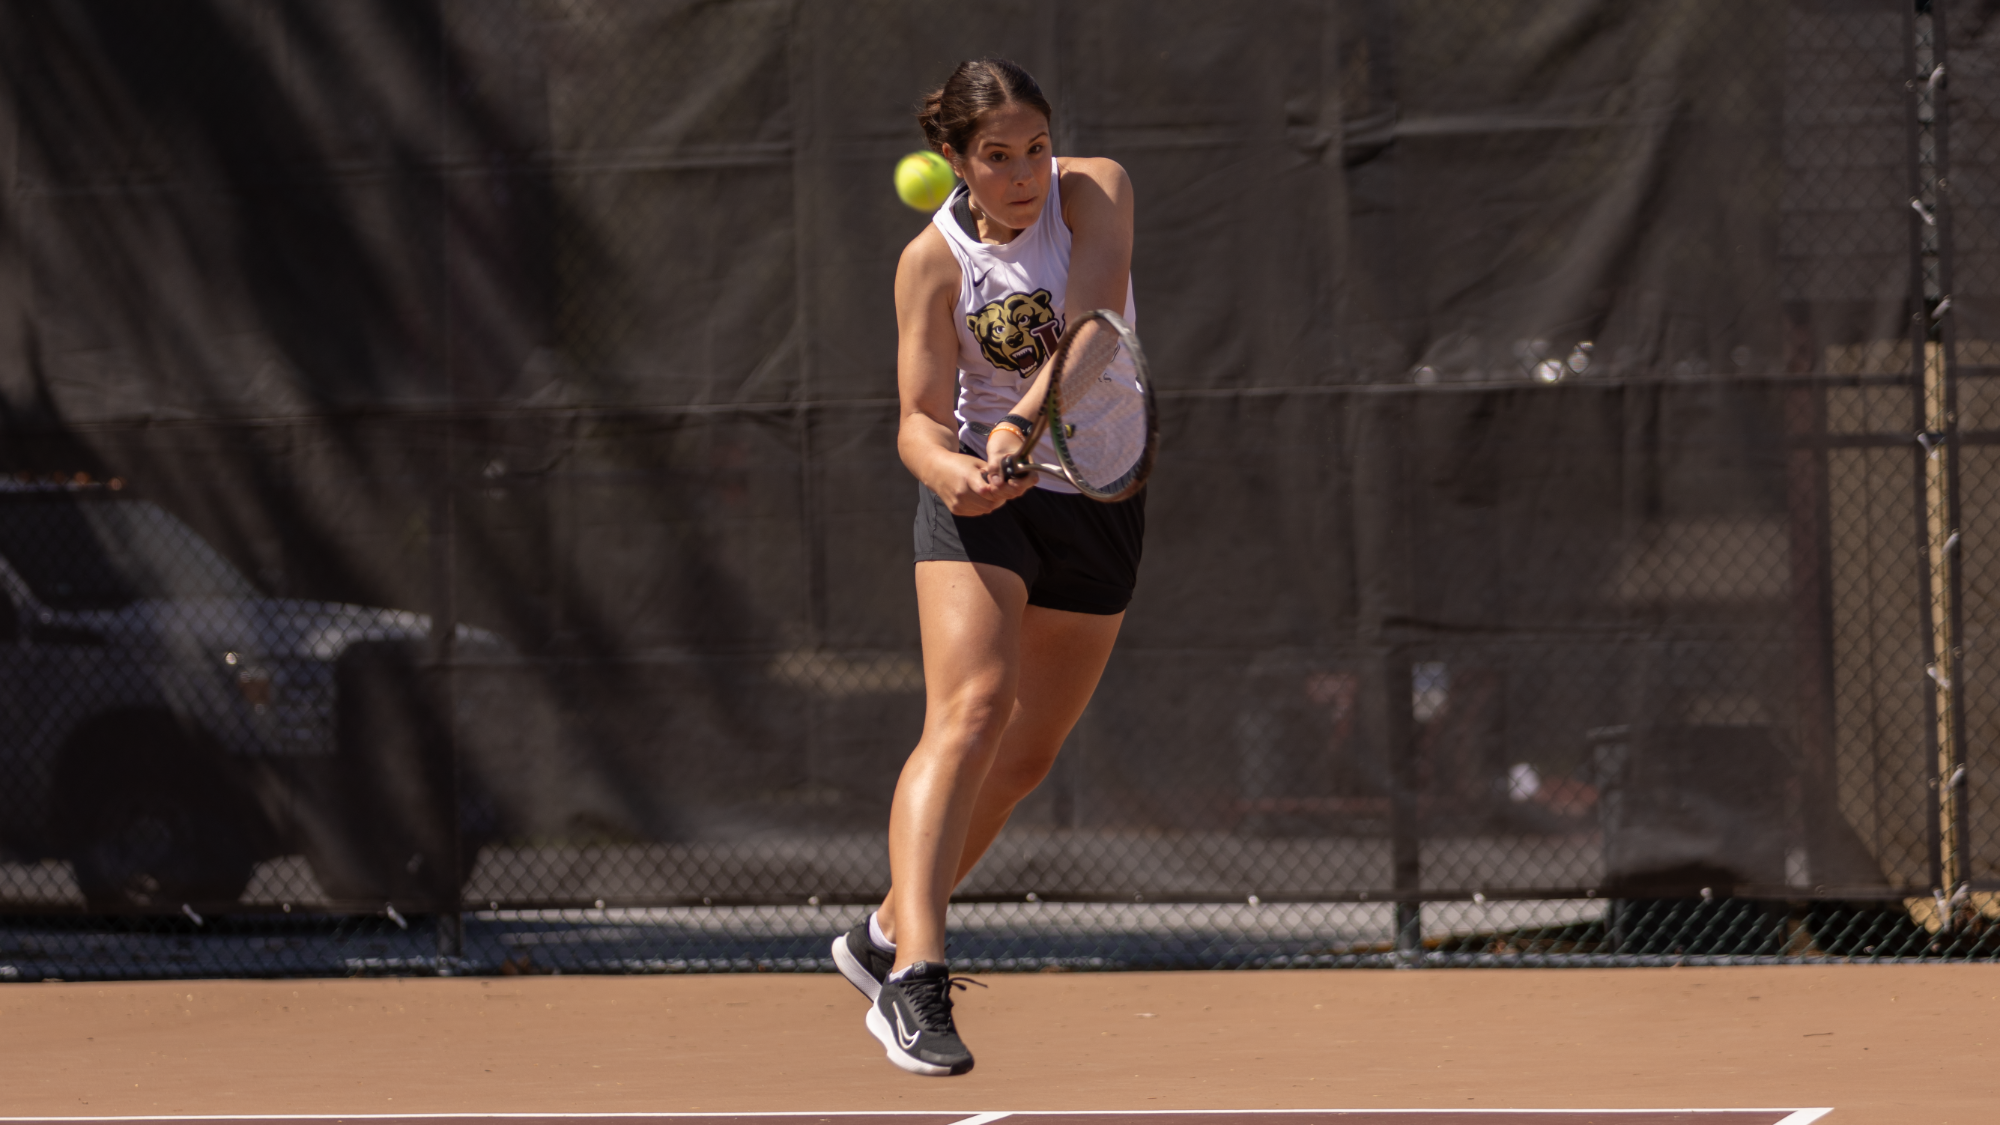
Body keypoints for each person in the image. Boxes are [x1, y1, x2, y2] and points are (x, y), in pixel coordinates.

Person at [828, 58, 1143, 1077]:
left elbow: (1093, 331)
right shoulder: (931, 262)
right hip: (982, 511)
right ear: (951, 163)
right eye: (997, 157)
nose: (1023, 174)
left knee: (1026, 755)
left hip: (1095, 498)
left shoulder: (1094, 190)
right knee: (970, 711)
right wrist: (957, 474)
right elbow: (917, 422)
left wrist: (1017, 421)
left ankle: (878, 930)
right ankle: (915, 975)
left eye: (1034, 149)